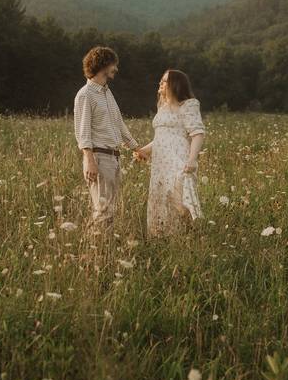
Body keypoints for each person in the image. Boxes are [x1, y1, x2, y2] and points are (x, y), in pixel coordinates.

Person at [73, 46, 141, 234]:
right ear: (102, 65)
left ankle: (102, 252)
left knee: (108, 210)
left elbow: (119, 123)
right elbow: (83, 131)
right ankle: (95, 255)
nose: (116, 69)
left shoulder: (106, 92)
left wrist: (136, 147)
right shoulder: (85, 95)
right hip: (100, 158)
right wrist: (89, 160)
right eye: (113, 65)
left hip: (114, 158)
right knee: (103, 211)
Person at [134, 69, 206, 237]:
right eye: (161, 80)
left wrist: (192, 160)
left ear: (175, 84)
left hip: (178, 159)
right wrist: (145, 150)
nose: (160, 83)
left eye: (165, 81)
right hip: (160, 162)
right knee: (161, 199)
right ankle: (164, 238)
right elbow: (161, 137)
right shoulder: (163, 107)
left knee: (180, 202)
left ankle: (190, 237)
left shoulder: (188, 105)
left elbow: (197, 133)